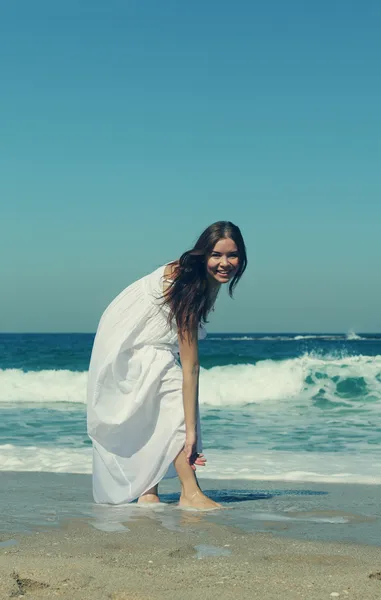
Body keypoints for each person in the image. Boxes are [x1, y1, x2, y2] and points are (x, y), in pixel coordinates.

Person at [87, 221, 247, 509]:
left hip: (140, 340)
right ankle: (190, 492)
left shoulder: (199, 277)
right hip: (127, 345)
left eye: (233, 255)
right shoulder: (188, 283)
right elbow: (191, 366)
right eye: (217, 255)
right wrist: (191, 433)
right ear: (203, 255)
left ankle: (148, 493)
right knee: (174, 402)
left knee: (155, 410)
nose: (225, 263)